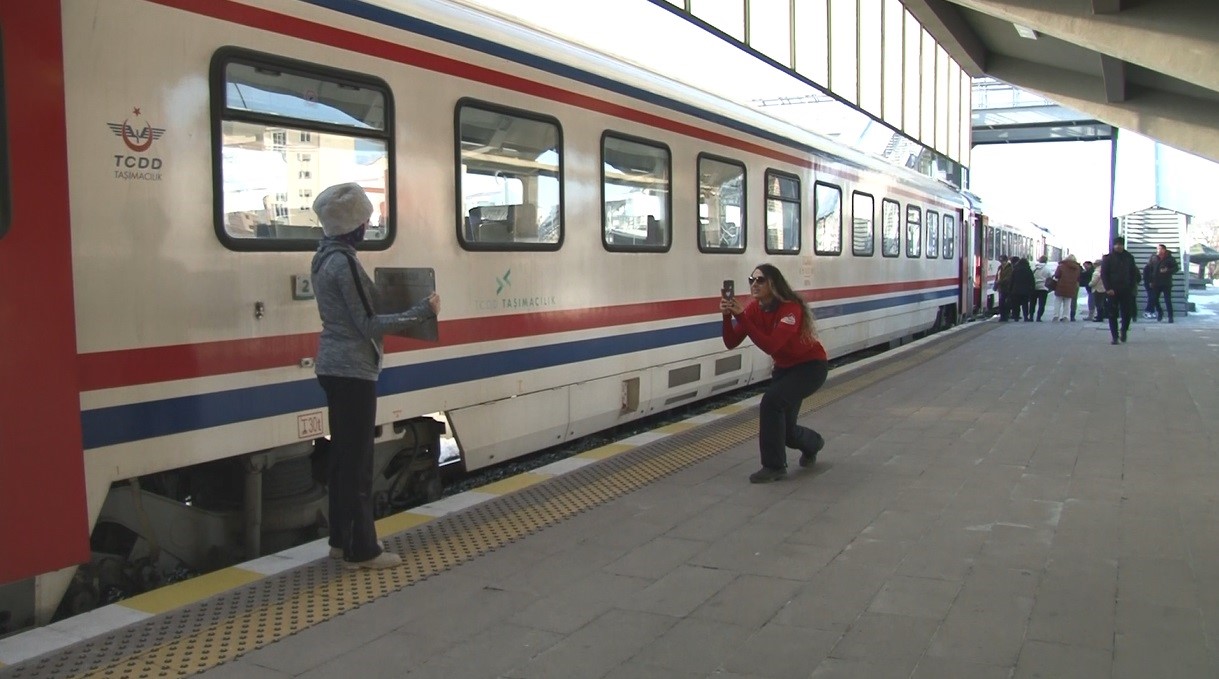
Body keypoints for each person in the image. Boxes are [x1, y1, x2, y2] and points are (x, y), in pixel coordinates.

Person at [311, 183, 440, 569]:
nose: (368, 227)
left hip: (333, 367)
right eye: (364, 221)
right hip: (353, 371)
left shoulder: (322, 258)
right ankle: (362, 550)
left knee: (342, 458)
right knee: (358, 462)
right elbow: (368, 325)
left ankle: (339, 541)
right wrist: (422, 311)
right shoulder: (344, 263)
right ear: (353, 226)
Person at [721, 264, 829, 483]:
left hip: (810, 367)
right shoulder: (754, 308)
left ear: (773, 283)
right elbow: (731, 342)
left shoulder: (791, 310)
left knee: (771, 402)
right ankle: (814, 443)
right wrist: (726, 317)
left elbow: (772, 346)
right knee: (786, 431)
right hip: (785, 369)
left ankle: (774, 467)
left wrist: (742, 318)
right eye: (751, 279)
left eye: (760, 280)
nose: (754, 284)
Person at [1101, 236, 1139, 344]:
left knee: (1126, 313)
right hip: (1112, 290)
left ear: (1123, 245)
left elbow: (1133, 273)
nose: (1118, 246)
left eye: (1120, 244)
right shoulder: (1108, 258)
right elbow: (1104, 274)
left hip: (1126, 290)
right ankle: (1114, 336)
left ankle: (1124, 330)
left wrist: (1132, 287)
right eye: (1116, 244)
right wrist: (1108, 288)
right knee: (1112, 314)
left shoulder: (1129, 257)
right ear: (1113, 245)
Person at [1151, 243, 1179, 322]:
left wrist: (1167, 270)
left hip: (1166, 282)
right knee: (1154, 299)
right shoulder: (1154, 258)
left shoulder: (1170, 258)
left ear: (1164, 250)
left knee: (1168, 300)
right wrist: (1150, 280)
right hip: (1156, 282)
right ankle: (1160, 312)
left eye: (1159, 249)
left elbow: (1176, 268)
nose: (1158, 250)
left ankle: (1170, 317)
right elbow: (1150, 269)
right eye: (1157, 249)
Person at [1050, 254, 1082, 321]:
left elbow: (1057, 275)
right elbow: (1078, 277)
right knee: (1068, 302)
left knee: (1058, 301)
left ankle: (1056, 315)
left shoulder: (1061, 266)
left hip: (1060, 286)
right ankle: (1066, 316)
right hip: (1071, 286)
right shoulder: (1077, 268)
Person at [1009, 256, 1035, 322]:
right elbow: (1032, 281)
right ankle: (1026, 317)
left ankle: (1016, 317)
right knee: (1025, 304)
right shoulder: (1028, 270)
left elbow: (1011, 280)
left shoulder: (1015, 270)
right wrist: (1032, 289)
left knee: (1016, 305)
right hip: (1025, 291)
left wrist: (1010, 289)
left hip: (1015, 290)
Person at [1031, 255, 1051, 321]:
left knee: (1032, 303)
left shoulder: (1034, 268)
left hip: (1034, 287)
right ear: (1046, 261)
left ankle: (1031, 316)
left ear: (1039, 260)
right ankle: (1038, 317)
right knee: (1042, 304)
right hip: (1043, 288)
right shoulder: (1047, 269)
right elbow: (1049, 278)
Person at [996, 255, 1013, 321]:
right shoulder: (1000, 267)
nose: (1002, 263)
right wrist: (996, 283)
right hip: (1001, 287)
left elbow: (1009, 277)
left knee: (1006, 303)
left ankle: (1005, 316)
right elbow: (997, 275)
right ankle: (1002, 316)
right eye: (1001, 261)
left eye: (1003, 261)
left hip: (1007, 287)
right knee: (1001, 302)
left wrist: (1000, 281)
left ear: (1006, 261)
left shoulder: (1010, 268)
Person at [1142, 253, 1159, 318]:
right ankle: (1147, 311)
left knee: (1154, 298)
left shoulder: (1157, 267)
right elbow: (1145, 277)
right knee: (1152, 297)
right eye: (1153, 259)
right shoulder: (1147, 267)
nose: (1154, 260)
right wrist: (1149, 282)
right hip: (1148, 284)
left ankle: (1152, 311)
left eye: (1155, 259)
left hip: (1156, 284)